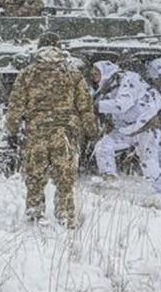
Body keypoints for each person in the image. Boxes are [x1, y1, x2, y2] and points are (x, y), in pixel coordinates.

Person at [5, 32, 97, 226]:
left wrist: (11, 131)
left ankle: (34, 214)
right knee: (65, 178)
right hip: (65, 134)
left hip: (37, 132)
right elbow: (85, 106)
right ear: (60, 48)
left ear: (38, 49)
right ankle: (65, 215)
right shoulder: (73, 73)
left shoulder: (27, 73)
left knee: (35, 177)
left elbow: (15, 107)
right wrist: (91, 131)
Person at [92, 60, 161, 193]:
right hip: (125, 130)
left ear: (106, 72)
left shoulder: (129, 79)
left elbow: (121, 105)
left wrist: (96, 106)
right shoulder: (108, 87)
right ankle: (109, 180)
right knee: (103, 147)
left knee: (149, 165)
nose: (93, 77)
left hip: (145, 129)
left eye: (96, 73)